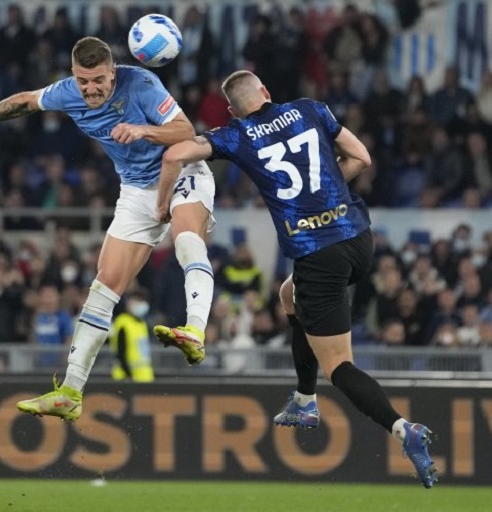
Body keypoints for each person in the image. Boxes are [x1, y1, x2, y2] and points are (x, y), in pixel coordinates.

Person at [157, 70, 438, 489]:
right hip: (358, 240)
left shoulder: (237, 134)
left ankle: (403, 429)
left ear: (233, 109)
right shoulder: (311, 109)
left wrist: (163, 203)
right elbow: (362, 157)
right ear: (267, 91)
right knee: (289, 295)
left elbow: (174, 154)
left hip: (318, 255)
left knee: (340, 367)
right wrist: (322, 191)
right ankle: (304, 401)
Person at [0, 36, 216, 422]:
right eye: (83, 81)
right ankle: (71, 392)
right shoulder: (67, 93)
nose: (91, 89)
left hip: (182, 170)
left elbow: (185, 130)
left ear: (113, 72)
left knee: (185, 238)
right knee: (103, 285)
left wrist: (143, 130)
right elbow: (24, 101)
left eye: (99, 80)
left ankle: (195, 330)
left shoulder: (142, 85)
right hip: (135, 189)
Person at [110, 288, 155, 382]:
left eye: (142, 301)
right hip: (126, 378)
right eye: (137, 301)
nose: (140, 304)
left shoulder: (142, 324)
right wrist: (129, 376)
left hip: (144, 378)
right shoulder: (123, 323)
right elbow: (120, 352)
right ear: (129, 303)